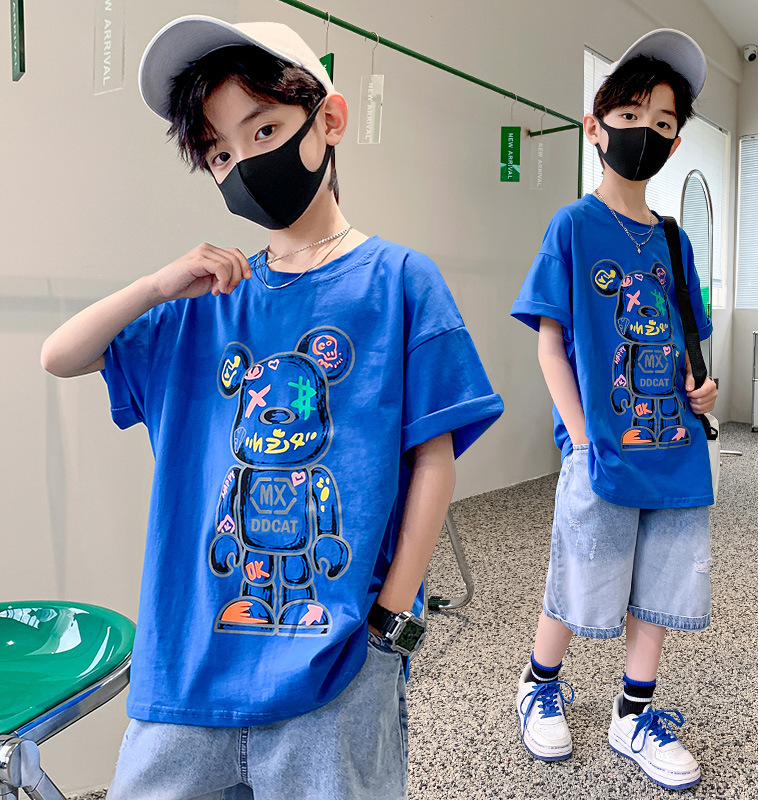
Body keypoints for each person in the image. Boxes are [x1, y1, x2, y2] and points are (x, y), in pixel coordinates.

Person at [41, 15, 503, 800]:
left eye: (264, 130)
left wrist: (391, 626)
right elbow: (61, 355)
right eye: (221, 153)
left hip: (335, 673)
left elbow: (435, 458)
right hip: (187, 672)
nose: (245, 163)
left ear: (330, 120)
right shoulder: (204, 303)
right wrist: (156, 285)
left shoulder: (399, 282)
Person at [509, 29, 717, 791]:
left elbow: (688, 340)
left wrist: (704, 390)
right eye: (630, 116)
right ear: (595, 127)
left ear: (675, 141)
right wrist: (580, 438)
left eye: (662, 122)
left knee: (661, 582)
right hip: (600, 445)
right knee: (583, 570)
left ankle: (634, 712)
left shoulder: (674, 240)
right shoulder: (572, 226)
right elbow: (550, 346)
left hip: (675, 446)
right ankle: (539, 684)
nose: (645, 132)